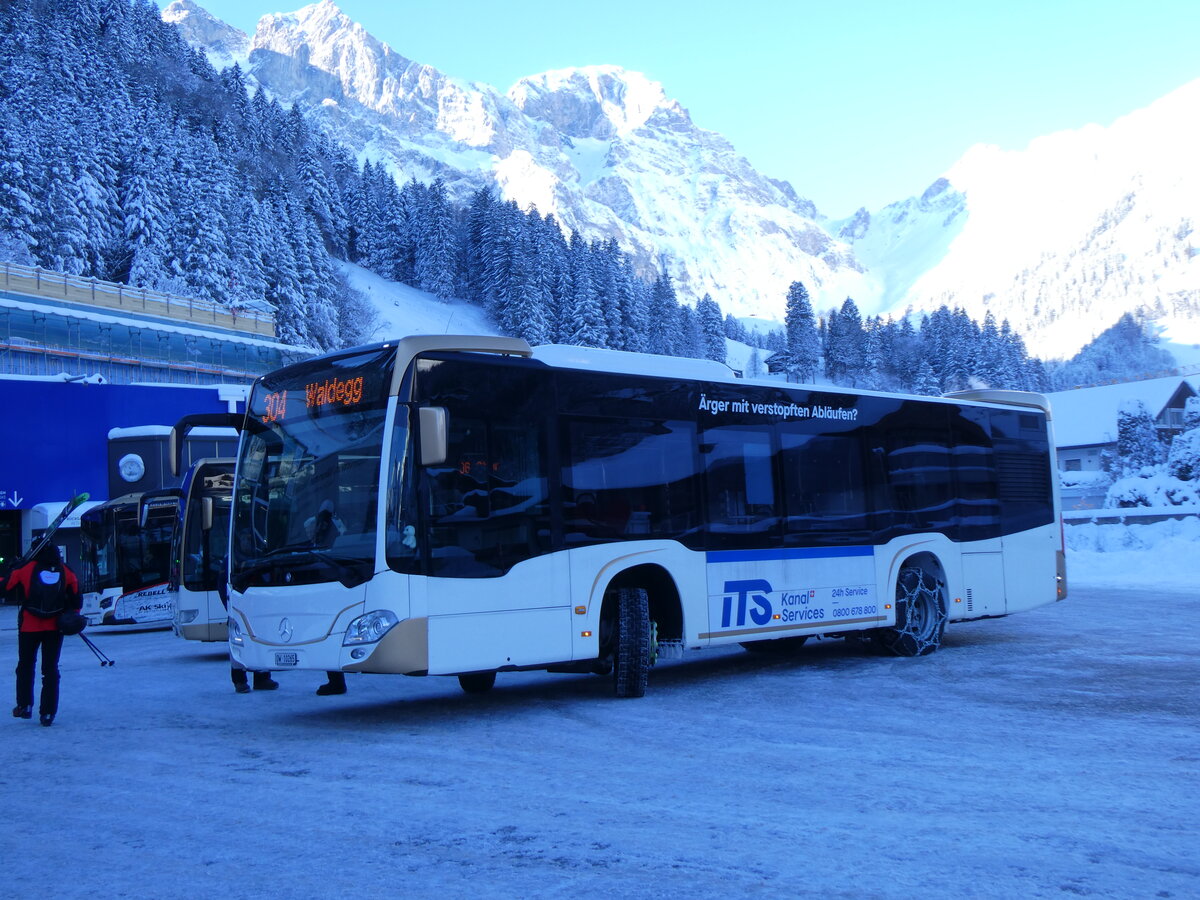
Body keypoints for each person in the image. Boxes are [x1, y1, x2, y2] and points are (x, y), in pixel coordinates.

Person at [7, 544, 81, 726]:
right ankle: (48, 713)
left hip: (29, 626)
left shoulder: (26, 568)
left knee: (25, 665)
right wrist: (71, 615)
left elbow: (6, 586)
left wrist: (12, 568)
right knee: (50, 669)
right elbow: (76, 597)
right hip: (55, 626)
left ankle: (24, 705)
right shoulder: (65, 570)